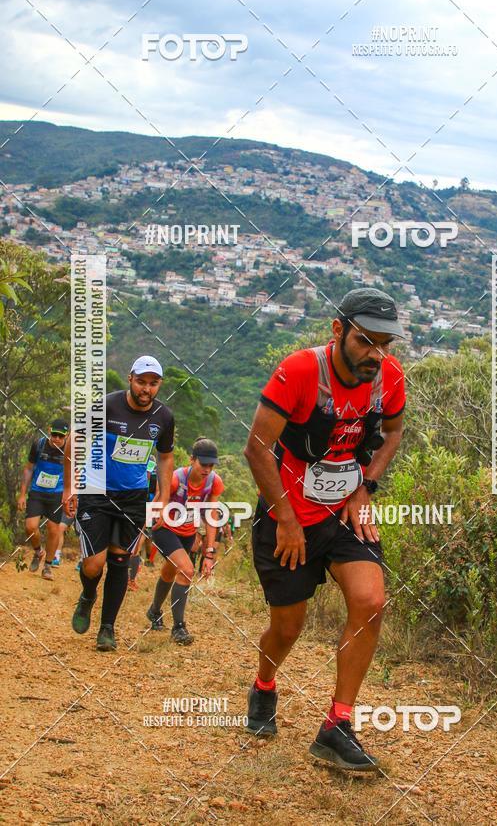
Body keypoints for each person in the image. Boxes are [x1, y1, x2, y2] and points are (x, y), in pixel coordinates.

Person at [244, 289, 405, 770]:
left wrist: (365, 490)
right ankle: (264, 685)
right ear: (338, 331)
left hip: (344, 514)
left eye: (384, 344)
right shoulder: (299, 371)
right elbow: (256, 448)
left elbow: (392, 432)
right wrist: (288, 521)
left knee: (371, 602)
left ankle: (337, 726)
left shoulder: (389, 378)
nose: (375, 355)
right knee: (288, 627)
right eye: (365, 341)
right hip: (288, 518)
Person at [63, 356, 174, 652]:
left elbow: (164, 457)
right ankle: (88, 595)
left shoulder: (164, 417)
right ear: (130, 379)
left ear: (159, 385)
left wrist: (163, 498)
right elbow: (74, 440)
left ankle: (107, 628)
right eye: (141, 381)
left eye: (153, 383)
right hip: (96, 491)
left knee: (120, 561)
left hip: (134, 497)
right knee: (93, 564)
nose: (146, 389)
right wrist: (71, 485)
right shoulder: (107, 406)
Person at [146, 438, 224, 644]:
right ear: (192, 460)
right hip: (165, 529)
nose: (207, 469)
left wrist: (209, 552)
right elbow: (157, 499)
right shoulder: (175, 479)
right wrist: (152, 517)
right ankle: (179, 628)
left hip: (188, 532)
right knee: (187, 570)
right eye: (203, 464)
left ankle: (154, 611)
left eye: (211, 465)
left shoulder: (214, 482)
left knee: (170, 571)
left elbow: (212, 515)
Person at [17, 419, 70, 580]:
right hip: (38, 492)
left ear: (66, 436)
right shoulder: (39, 445)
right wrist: (22, 494)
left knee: (53, 530)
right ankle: (38, 552)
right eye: (54, 435)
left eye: (61, 436)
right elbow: (28, 469)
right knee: (30, 527)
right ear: (49, 431)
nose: (57, 439)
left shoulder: (69, 449)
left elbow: (74, 473)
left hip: (57, 494)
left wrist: (70, 495)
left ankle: (47, 566)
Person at [128, 456, 158, 591]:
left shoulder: (155, 479)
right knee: (127, 547)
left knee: (136, 547)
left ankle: (131, 579)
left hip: (145, 512)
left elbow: (159, 493)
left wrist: (151, 508)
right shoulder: (132, 473)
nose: (148, 472)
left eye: (151, 468)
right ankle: (124, 577)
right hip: (130, 509)